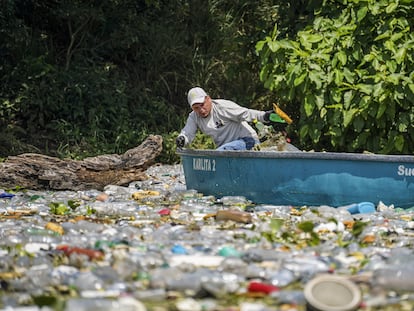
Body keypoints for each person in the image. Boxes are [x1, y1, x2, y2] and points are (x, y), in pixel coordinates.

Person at [176, 86, 280, 150]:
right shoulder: (194, 117)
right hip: (226, 149)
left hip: (247, 141)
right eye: (196, 108)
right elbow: (187, 133)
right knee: (220, 152)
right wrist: (182, 139)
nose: (201, 110)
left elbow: (246, 113)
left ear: (208, 99)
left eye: (202, 105)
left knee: (219, 154)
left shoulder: (223, 107)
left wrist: (265, 116)